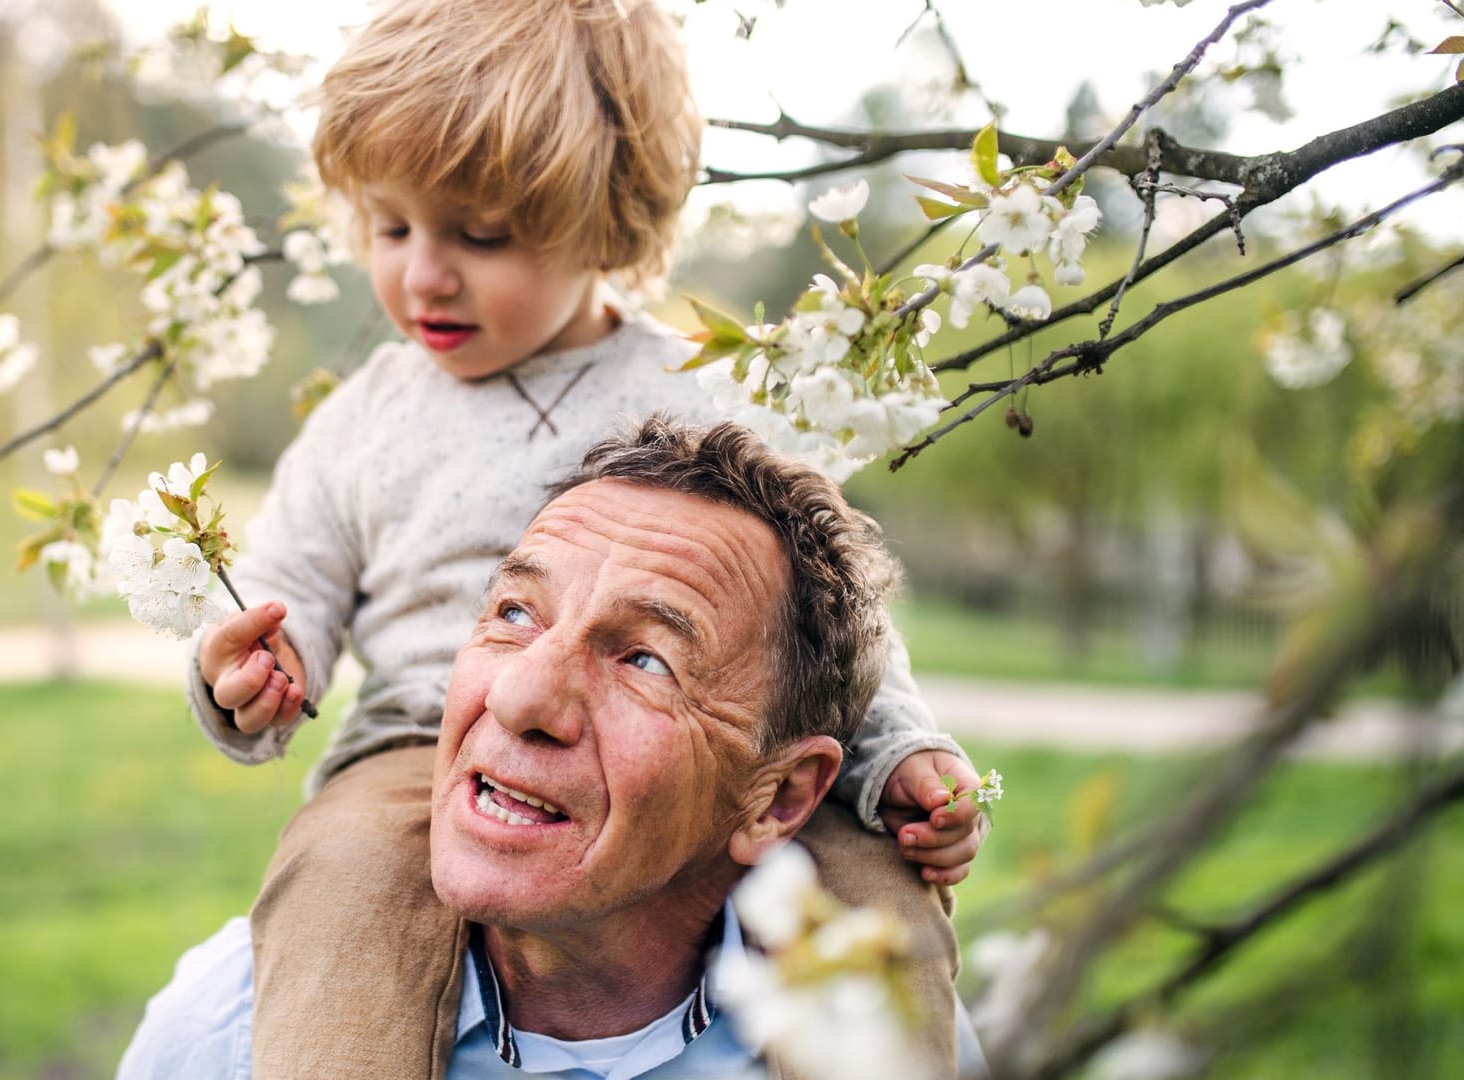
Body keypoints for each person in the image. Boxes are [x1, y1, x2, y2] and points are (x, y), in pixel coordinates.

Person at [185, 1, 986, 1074]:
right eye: (391, 228)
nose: (423, 274)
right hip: (420, 755)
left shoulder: (706, 394)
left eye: (478, 234)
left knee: (874, 890)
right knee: (340, 879)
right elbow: (286, 587)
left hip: (699, 762)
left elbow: (828, 620)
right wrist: (252, 665)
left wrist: (898, 754)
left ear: (604, 225)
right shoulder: (365, 420)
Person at [128, 418, 964, 1078]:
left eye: (646, 660)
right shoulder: (231, 1036)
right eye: (515, 613)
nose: (520, 696)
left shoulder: (897, 1033)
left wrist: (905, 753)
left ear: (780, 797)